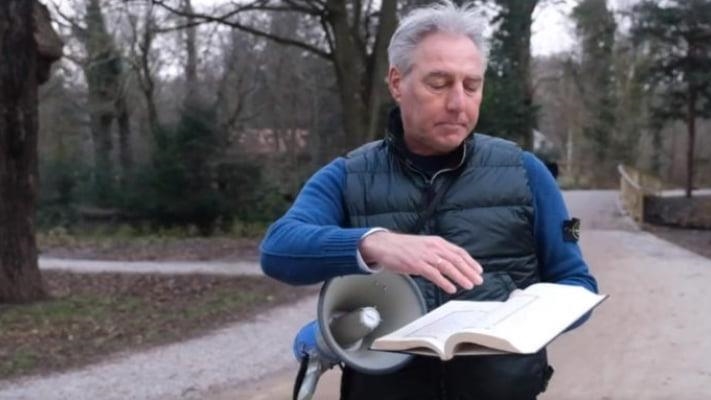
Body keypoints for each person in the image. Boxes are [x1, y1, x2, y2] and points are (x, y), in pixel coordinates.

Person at [260, 1, 598, 399]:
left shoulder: (528, 173)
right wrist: (372, 243)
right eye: (438, 83)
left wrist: (518, 320)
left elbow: (578, 285)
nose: (458, 103)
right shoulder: (347, 175)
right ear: (396, 82)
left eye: (471, 86)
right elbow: (277, 249)